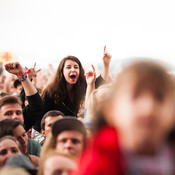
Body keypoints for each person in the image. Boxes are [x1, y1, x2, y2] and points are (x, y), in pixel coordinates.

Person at [74, 60, 175, 175]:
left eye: (159, 98)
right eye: (136, 96)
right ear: (111, 111)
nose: (148, 108)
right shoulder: (97, 162)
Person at [41, 47, 111, 117]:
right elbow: (41, 117)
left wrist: (106, 65)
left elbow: (101, 82)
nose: (73, 69)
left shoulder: (83, 85)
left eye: (76, 67)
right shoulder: (50, 92)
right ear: (62, 71)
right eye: (68, 67)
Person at [2, 62, 43, 132]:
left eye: (18, 113)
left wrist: (21, 75)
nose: (15, 117)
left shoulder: (22, 125)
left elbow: (36, 105)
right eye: (8, 113)